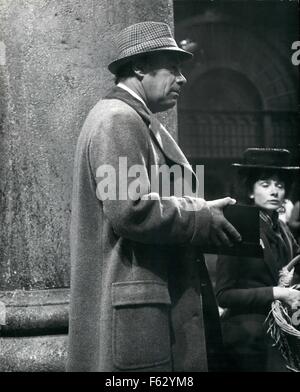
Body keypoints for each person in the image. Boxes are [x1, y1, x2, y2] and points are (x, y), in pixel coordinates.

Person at [66, 21, 241, 372]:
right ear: (139, 67)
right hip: (139, 318)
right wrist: (202, 216)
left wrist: (203, 211)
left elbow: (154, 198)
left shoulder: (136, 120)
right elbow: (131, 211)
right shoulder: (119, 119)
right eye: (173, 68)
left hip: (149, 309)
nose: (183, 78)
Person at [215, 148, 300, 372]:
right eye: (265, 184)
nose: (274, 192)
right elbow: (224, 296)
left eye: (279, 186)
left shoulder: (282, 228)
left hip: (278, 338)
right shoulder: (239, 226)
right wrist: (278, 293)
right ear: (251, 191)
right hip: (246, 340)